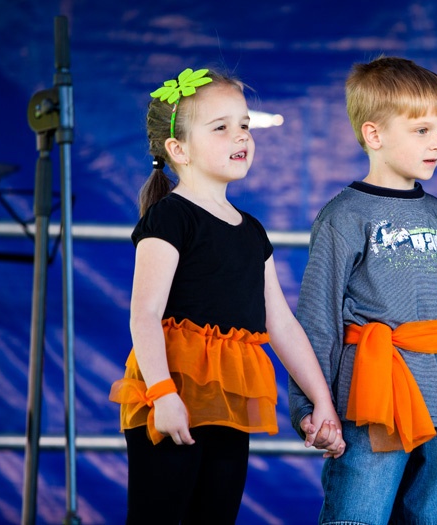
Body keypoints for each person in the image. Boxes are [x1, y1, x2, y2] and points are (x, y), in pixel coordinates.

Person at [287, 56, 437, 525]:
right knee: (357, 518)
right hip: (372, 402)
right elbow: (318, 319)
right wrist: (311, 407)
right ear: (374, 135)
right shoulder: (344, 216)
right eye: (421, 131)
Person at [109, 67, 344, 524]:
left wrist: (322, 401)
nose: (241, 136)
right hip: (173, 395)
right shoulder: (169, 218)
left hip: (231, 400)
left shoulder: (252, 231)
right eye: (221, 127)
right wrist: (163, 394)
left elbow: (281, 324)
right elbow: (145, 315)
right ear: (179, 149)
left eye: (244, 125)